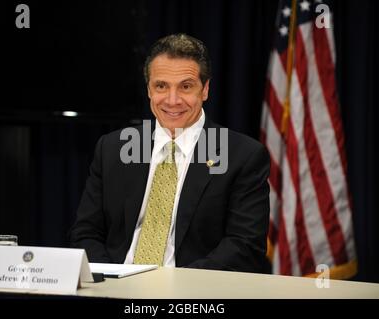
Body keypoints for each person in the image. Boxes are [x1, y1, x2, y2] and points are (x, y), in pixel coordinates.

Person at [69, 33, 271, 273]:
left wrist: (175, 285)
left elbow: (244, 246)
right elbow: (85, 233)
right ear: (149, 90)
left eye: (185, 87)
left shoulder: (242, 155)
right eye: (161, 86)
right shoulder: (114, 148)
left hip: (193, 294)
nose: (172, 100)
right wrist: (112, 280)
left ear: (205, 89)